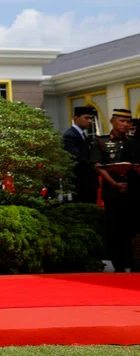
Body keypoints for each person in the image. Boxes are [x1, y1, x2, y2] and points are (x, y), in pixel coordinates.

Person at [91, 108, 140, 272]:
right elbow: (97, 165)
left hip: (132, 192)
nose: (125, 124)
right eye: (121, 121)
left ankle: (132, 263)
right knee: (114, 228)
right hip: (112, 191)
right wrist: (114, 184)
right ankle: (118, 265)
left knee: (132, 228)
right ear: (112, 121)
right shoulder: (101, 141)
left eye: (128, 122)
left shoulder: (134, 142)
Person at [62, 106, 99, 204]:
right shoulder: (70, 135)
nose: (90, 121)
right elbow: (76, 158)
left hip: (87, 182)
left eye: (91, 118)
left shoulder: (81, 134)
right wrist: (94, 166)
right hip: (80, 183)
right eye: (86, 118)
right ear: (76, 118)